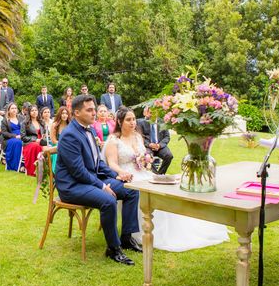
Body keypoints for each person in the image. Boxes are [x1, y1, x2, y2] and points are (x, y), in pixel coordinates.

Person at [104, 107, 229, 252]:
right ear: (120, 122)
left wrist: (146, 159)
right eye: (128, 120)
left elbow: (144, 154)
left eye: (133, 119)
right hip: (126, 175)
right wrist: (121, 172)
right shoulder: (114, 140)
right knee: (140, 192)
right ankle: (132, 233)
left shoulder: (137, 136)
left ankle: (165, 228)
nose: (132, 123)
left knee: (160, 188)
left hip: (143, 172)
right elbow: (112, 162)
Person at [54, 94, 141, 265]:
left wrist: (115, 175)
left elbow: (97, 162)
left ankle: (126, 238)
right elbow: (78, 171)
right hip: (72, 186)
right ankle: (113, 249)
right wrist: (102, 186)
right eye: (89, 110)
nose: (94, 113)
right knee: (108, 200)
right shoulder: (69, 135)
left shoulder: (90, 129)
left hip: (90, 180)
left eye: (94, 109)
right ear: (77, 113)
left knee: (131, 189)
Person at [137, 106, 173, 175]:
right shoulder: (140, 122)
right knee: (147, 156)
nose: (152, 115)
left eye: (154, 113)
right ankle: (155, 174)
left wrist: (159, 145)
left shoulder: (162, 122)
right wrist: (149, 144)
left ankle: (160, 174)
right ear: (146, 113)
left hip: (159, 146)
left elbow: (167, 137)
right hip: (148, 146)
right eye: (150, 113)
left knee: (169, 155)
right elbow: (140, 137)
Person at [21, 104, 46, 176]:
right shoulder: (25, 123)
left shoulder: (42, 122)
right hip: (29, 143)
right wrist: (35, 140)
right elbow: (23, 137)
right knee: (36, 146)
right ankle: (35, 170)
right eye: (32, 111)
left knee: (51, 146)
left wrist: (44, 137)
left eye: (35, 110)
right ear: (29, 112)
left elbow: (44, 134)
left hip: (41, 142)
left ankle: (48, 169)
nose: (34, 112)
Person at [1, 102, 23, 172]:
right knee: (18, 143)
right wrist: (15, 136)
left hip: (22, 136)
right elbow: (4, 133)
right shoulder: (5, 120)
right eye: (12, 108)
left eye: (15, 108)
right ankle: (17, 166)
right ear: (8, 110)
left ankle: (26, 165)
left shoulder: (21, 118)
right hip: (9, 139)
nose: (14, 110)